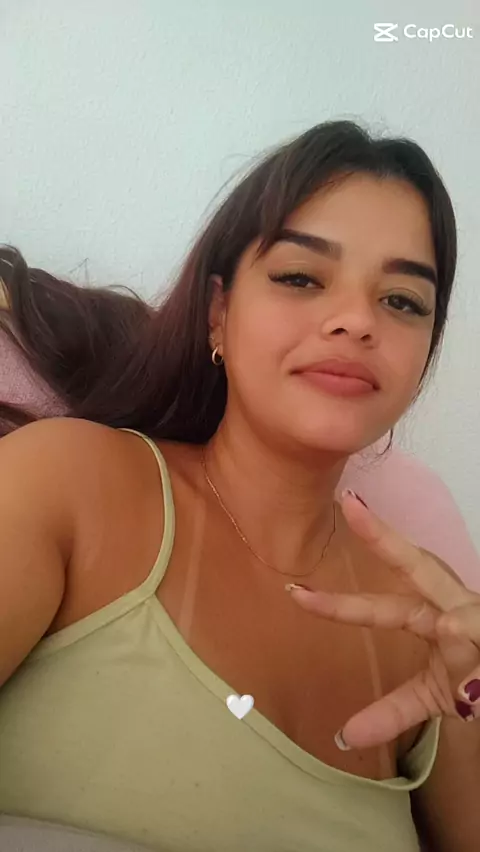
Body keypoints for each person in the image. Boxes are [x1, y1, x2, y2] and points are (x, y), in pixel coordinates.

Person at [0, 119, 478, 852]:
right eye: (301, 278)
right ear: (219, 312)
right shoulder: (66, 482)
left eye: (403, 301)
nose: (357, 320)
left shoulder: (433, 618)